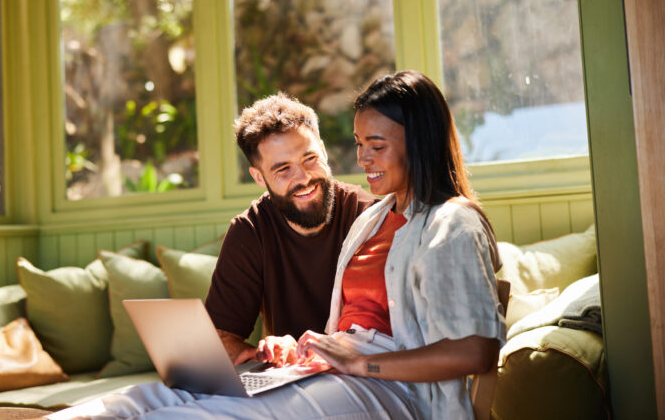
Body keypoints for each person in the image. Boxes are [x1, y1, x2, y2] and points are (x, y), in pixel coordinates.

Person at [82, 71, 505, 420]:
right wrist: (309, 350)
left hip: (391, 387)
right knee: (134, 403)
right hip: (333, 369)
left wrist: (359, 362)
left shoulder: (451, 223)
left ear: (421, 143)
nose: (362, 160)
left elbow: (476, 350)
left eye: (376, 146)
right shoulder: (374, 220)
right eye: (359, 145)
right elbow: (344, 328)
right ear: (259, 176)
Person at [205, 92, 375, 364]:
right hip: (285, 379)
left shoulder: (369, 217)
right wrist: (259, 352)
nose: (304, 178)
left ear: (323, 150)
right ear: (259, 177)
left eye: (310, 159)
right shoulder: (250, 231)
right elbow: (219, 338)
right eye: (283, 169)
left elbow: (384, 335)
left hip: (355, 375)